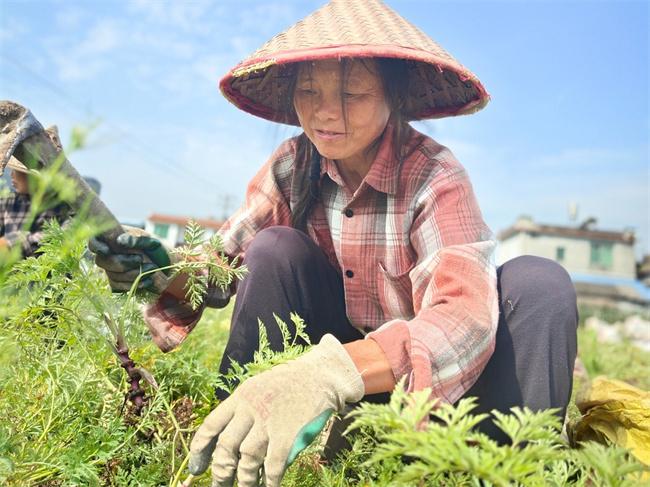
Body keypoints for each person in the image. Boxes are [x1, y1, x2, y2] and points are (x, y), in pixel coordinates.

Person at [91, 1, 578, 486]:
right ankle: (233, 441)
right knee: (274, 248)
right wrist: (160, 270)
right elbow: (222, 264)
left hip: (426, 388)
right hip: (331, 384)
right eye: (309, 91)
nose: (326, 113)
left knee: (540, 285)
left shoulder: (435, 175)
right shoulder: (293, 166)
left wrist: (333, 370)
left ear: (395, 98)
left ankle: (516, 474)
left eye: (353, 94)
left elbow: (464, 315)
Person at [0, 156, 70, 258]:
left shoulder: (62, 208)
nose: (11, 175)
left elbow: (53, 239)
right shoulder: (9, 202)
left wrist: (9, 244)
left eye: (16, 171)